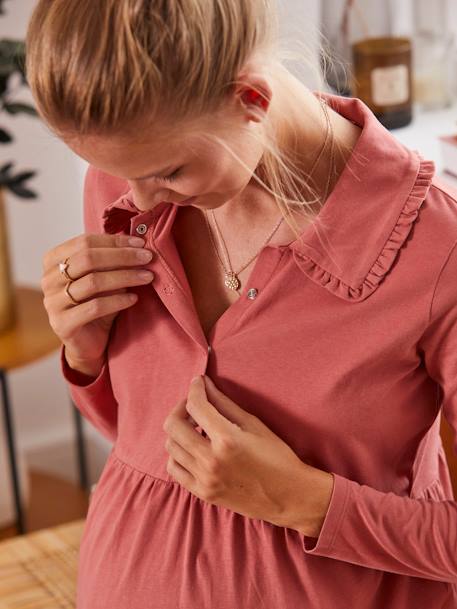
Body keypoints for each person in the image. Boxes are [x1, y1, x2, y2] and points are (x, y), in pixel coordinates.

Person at [27, 1, 457, 608]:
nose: (139, 197)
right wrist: (85, 349)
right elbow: (137, 438)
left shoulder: (436, 249)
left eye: (169, 171)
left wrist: (303, 500)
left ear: (251, 98)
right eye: (110, 170)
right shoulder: (126, 183)